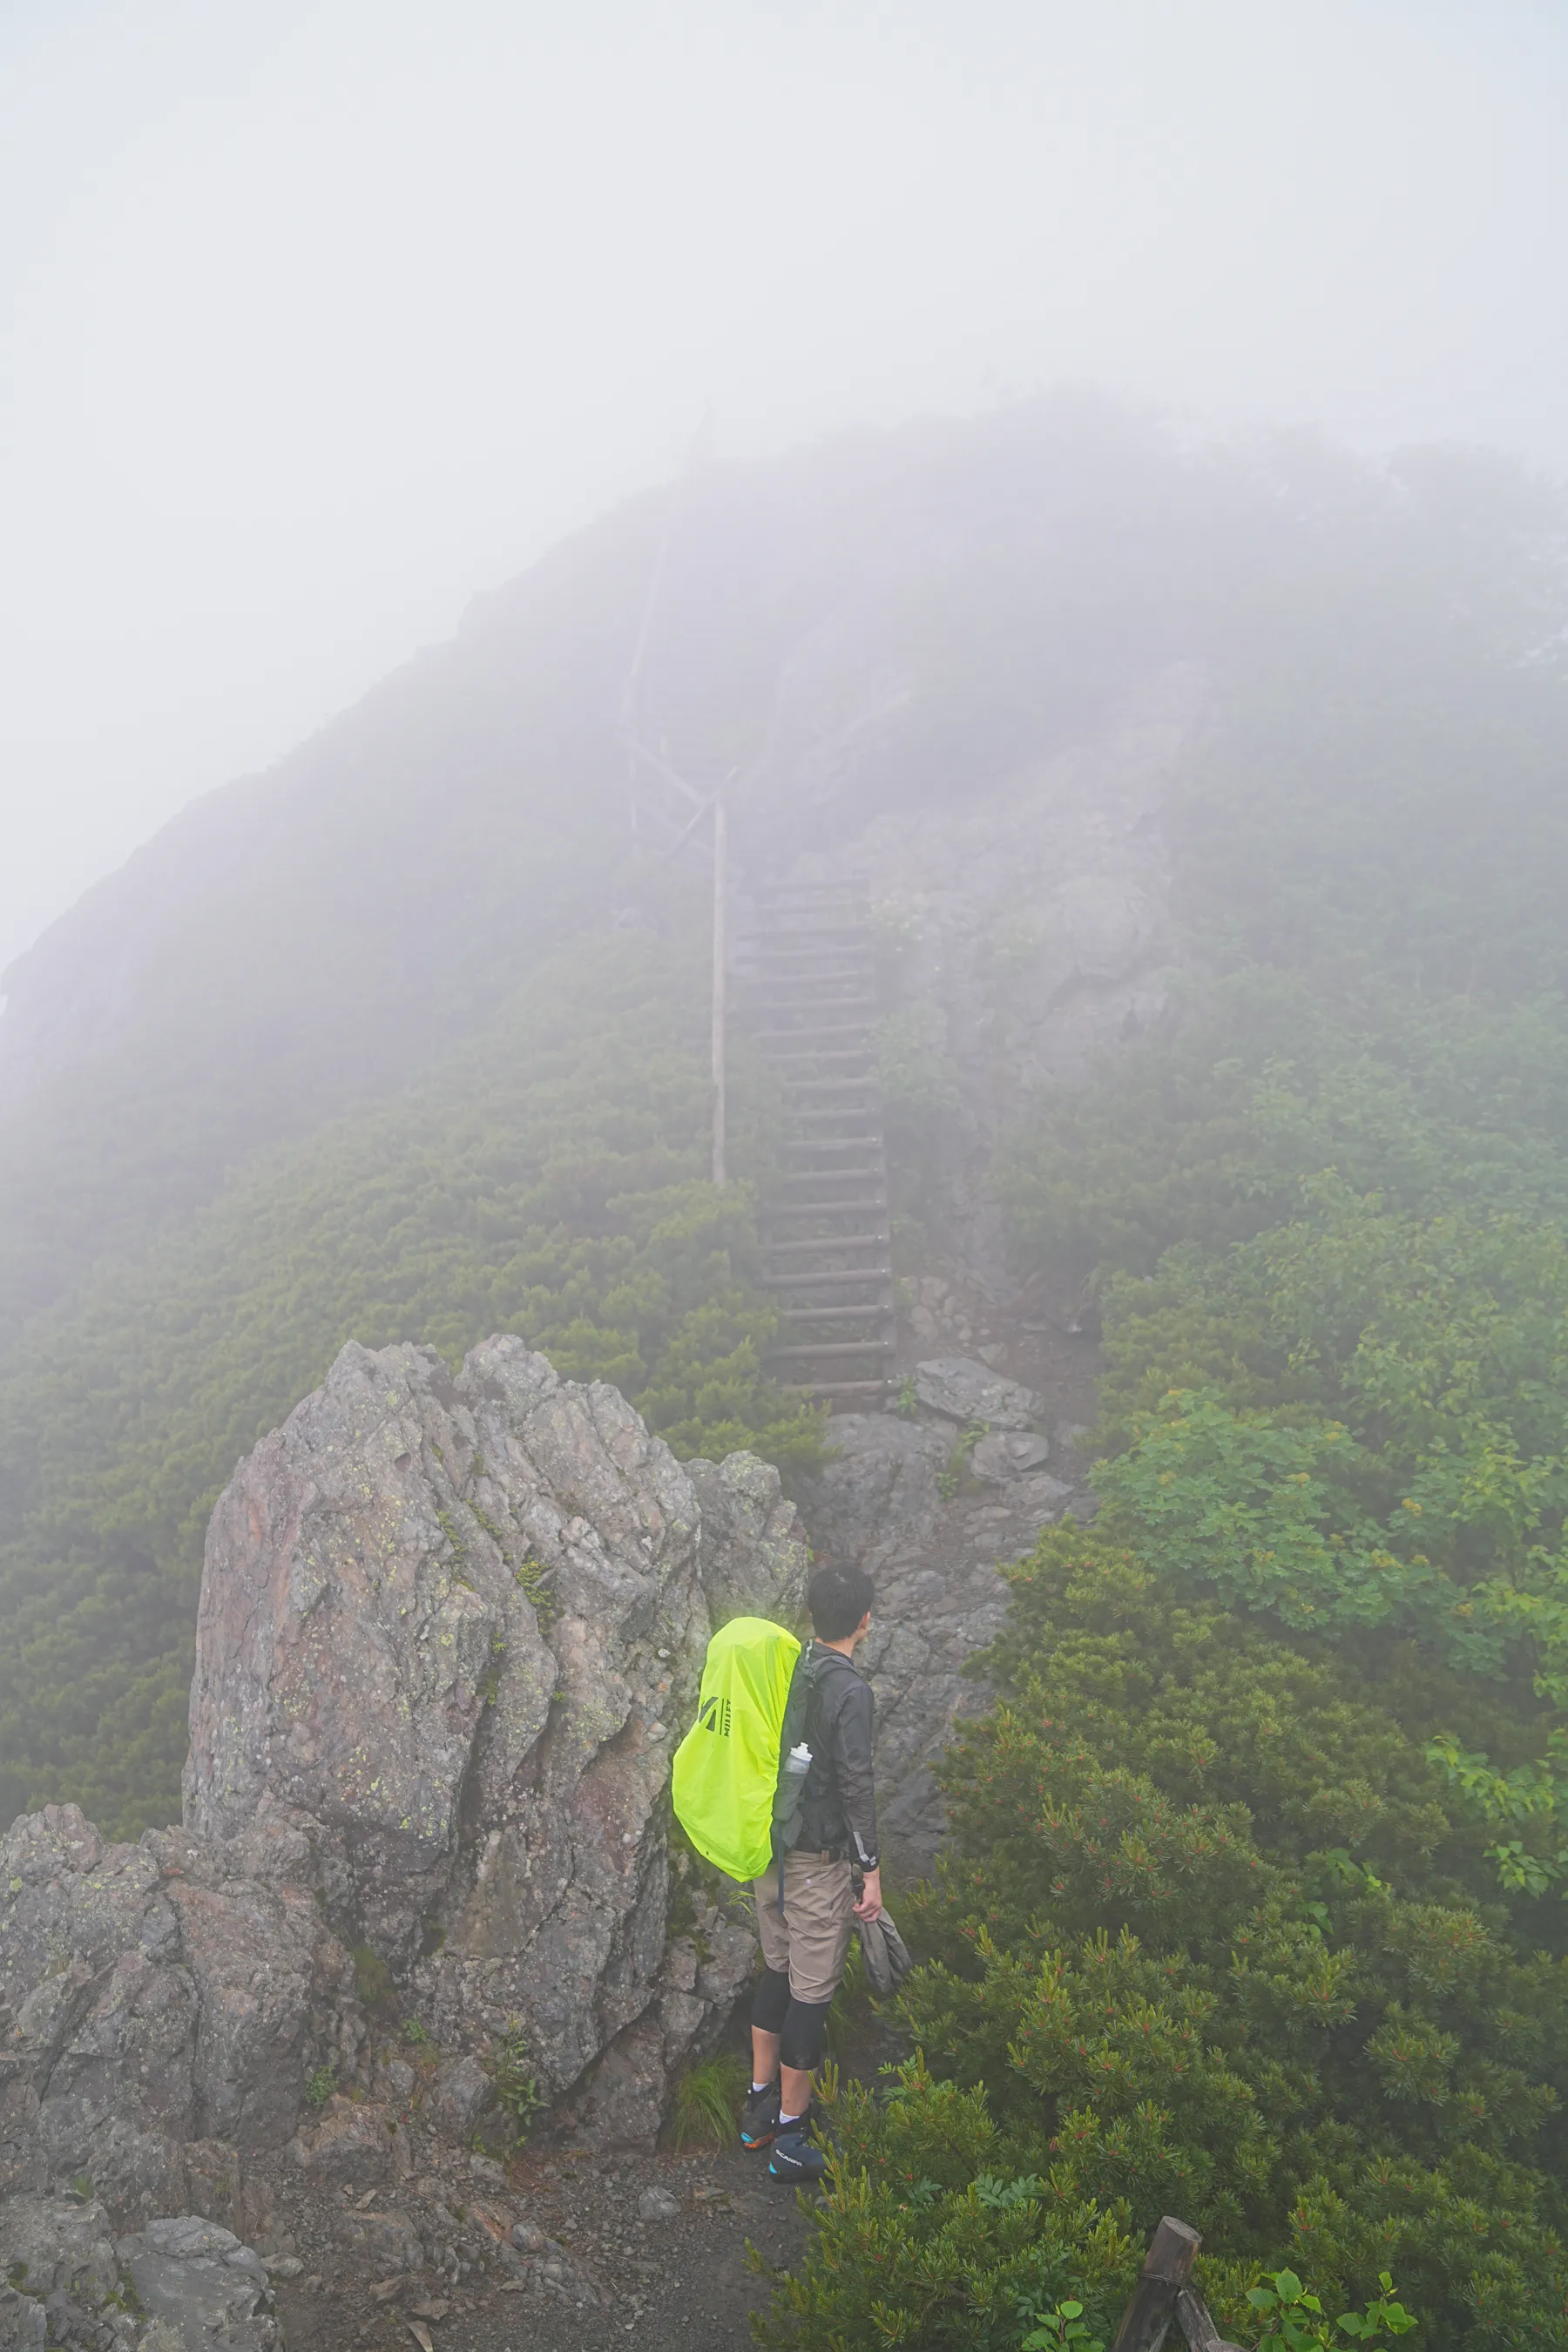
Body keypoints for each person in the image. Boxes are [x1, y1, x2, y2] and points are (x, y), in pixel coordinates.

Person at [741, 1562, 882, 2183]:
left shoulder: (787, 1667)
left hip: (768, 1849)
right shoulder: (850, 1691)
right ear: (865, 1621)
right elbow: (856, 1783)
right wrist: (869, 1868)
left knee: (777, 1967)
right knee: (811, 1993)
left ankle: (758, 2104)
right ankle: (791, 2138)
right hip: (815, 1861)